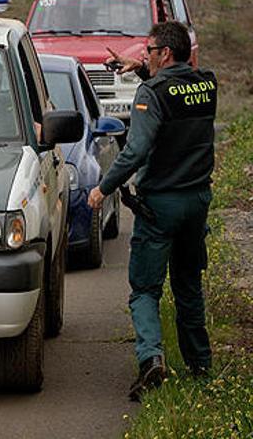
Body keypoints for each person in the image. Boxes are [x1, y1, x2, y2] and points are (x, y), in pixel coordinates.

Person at [88, 21, 217, 401]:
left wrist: (103, 187)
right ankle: (200, 366)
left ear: (167, 53)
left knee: (145, 289)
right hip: (196, 202)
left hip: (160, 204)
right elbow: (178, 88)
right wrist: (142, 67)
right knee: (188, 285)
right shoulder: (206, 84)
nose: (146, 55)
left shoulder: (150, 94)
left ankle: (151, 361)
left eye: (150, 50)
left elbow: (136, 150)